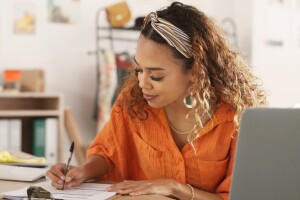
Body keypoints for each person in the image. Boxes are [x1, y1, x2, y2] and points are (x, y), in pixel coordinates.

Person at [46, 2, 267, 200]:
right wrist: (83, 171)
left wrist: (175, 188)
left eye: (156, 76)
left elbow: (241, 196)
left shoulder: (239, 116)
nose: (142, 82)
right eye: (139, 69)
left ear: (195, 71)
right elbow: (108, 155)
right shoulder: (132, 102)